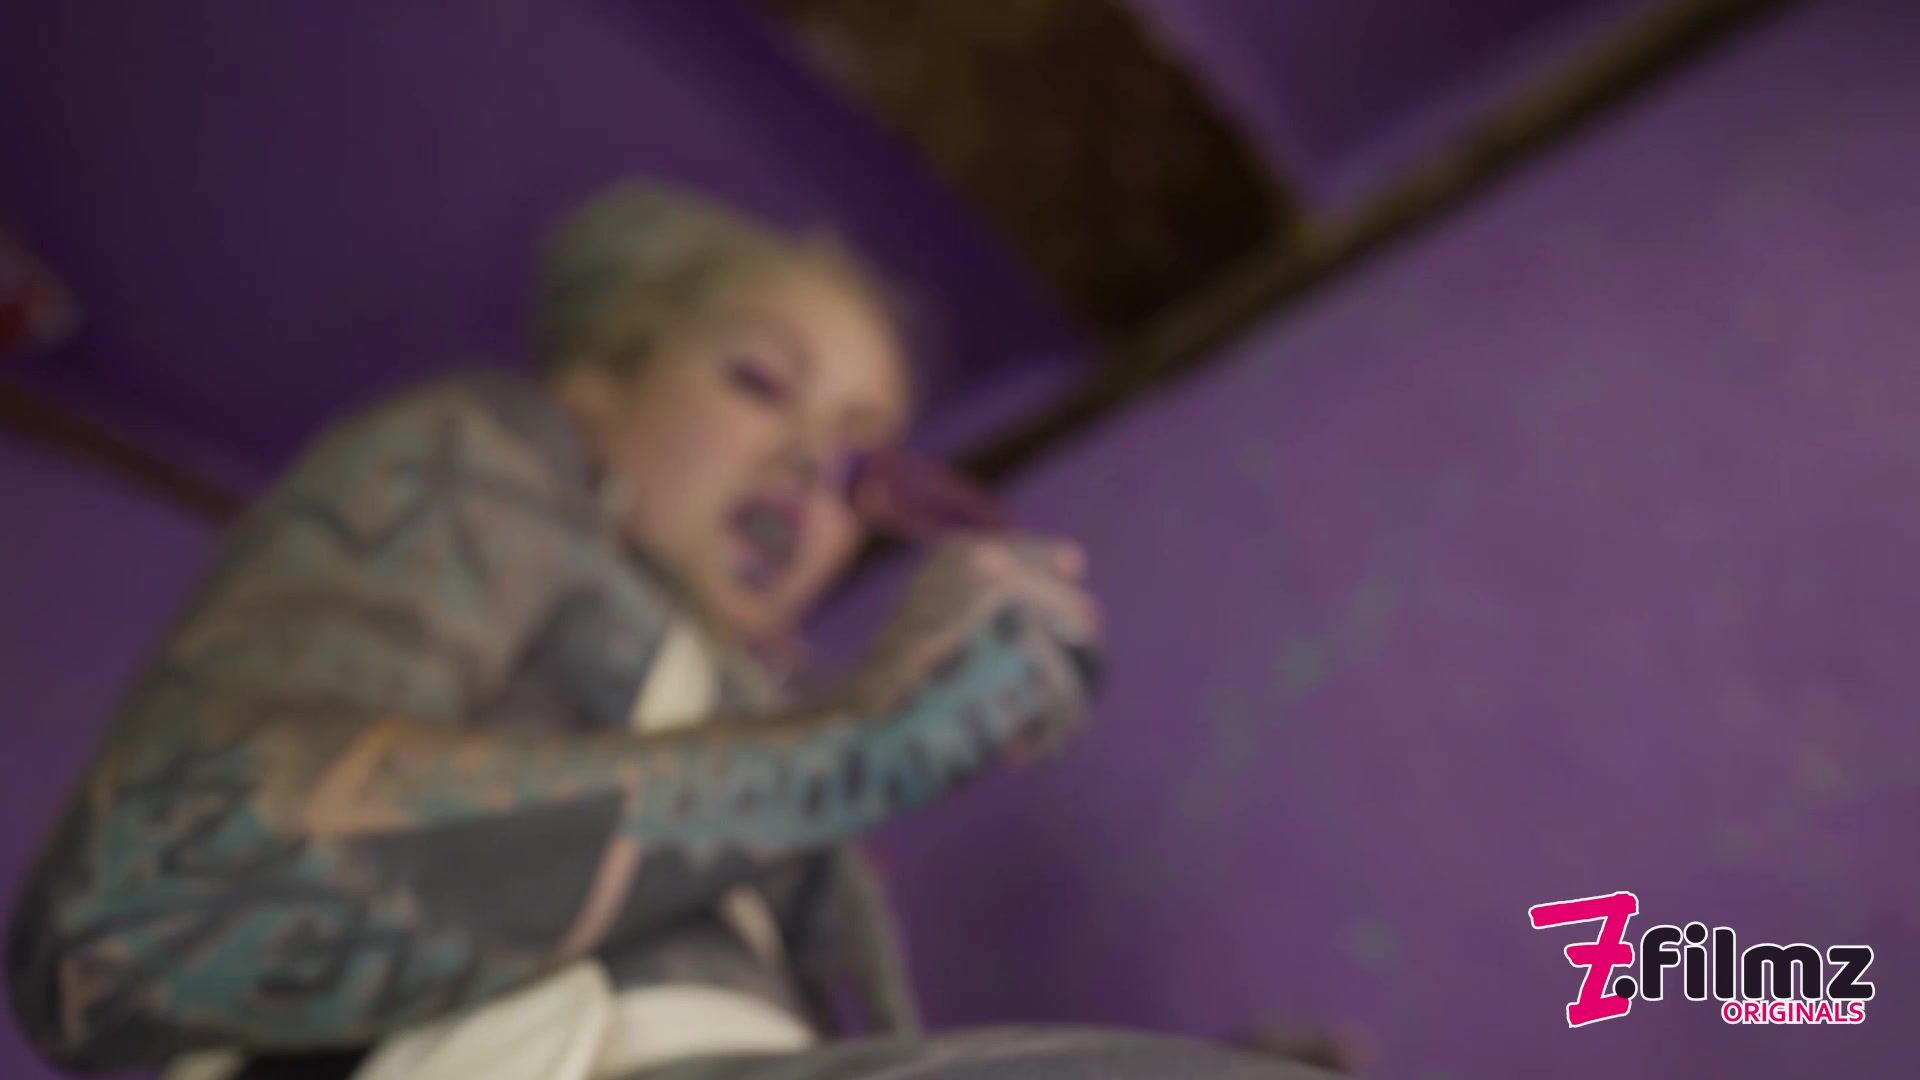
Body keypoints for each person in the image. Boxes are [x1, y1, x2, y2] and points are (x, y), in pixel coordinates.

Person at [8, 182, 1328, 1079]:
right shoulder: (499, 462)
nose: (812, 464)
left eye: (862, 460)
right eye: (760, 381)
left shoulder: (764, 745)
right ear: (595, 396)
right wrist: (866, 747)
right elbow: (135, 910)